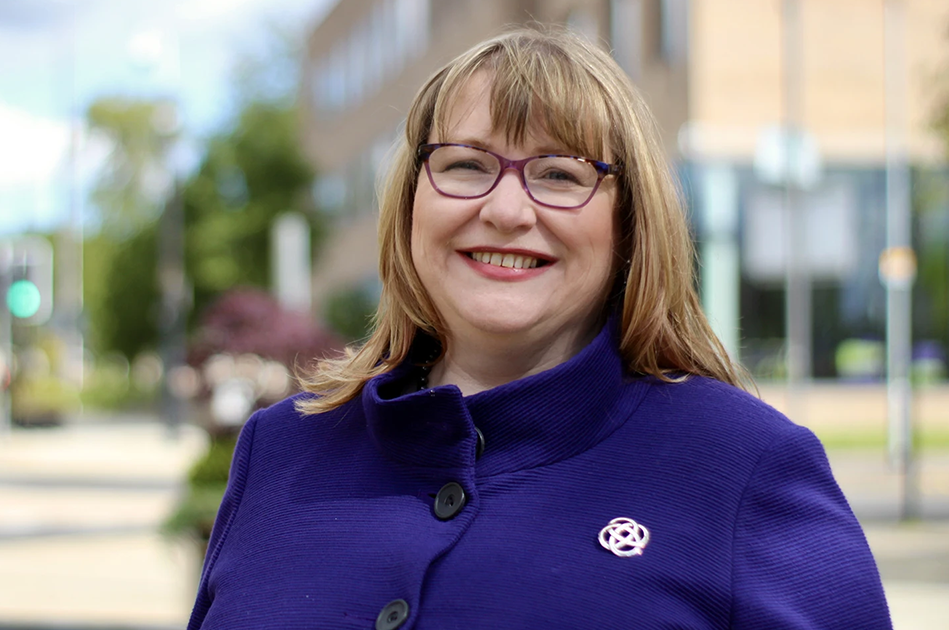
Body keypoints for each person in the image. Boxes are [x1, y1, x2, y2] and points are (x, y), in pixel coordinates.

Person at [188, 26, 891, 629]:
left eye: (559, 174)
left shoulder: (746, 468)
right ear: (409, 206)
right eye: (465, 165)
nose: (506, 209)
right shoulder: (279, 452)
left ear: (629, 225)